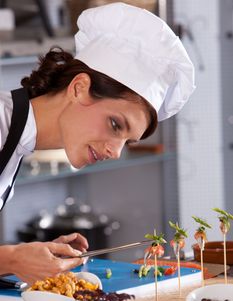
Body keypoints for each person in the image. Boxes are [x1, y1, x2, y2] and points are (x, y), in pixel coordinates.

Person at [0, 2, 195, 284]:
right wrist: (14, 258)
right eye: (115, 125)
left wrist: (35, 256)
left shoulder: (17, 139)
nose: (115, 152)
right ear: (79, 88)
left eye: (127, 142)